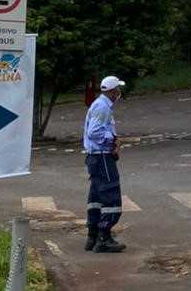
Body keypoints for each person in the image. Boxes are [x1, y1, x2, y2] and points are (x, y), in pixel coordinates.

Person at [83, 76, 127, 253]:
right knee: (111, 195)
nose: (119, 93)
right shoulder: (102, 107)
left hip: (95, 157)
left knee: (96, 197)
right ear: (112, 91)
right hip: (102, 158)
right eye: (118, 90)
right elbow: (94, 133)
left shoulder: (99, 105)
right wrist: (113, 140)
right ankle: (104, 237)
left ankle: (93, 235)